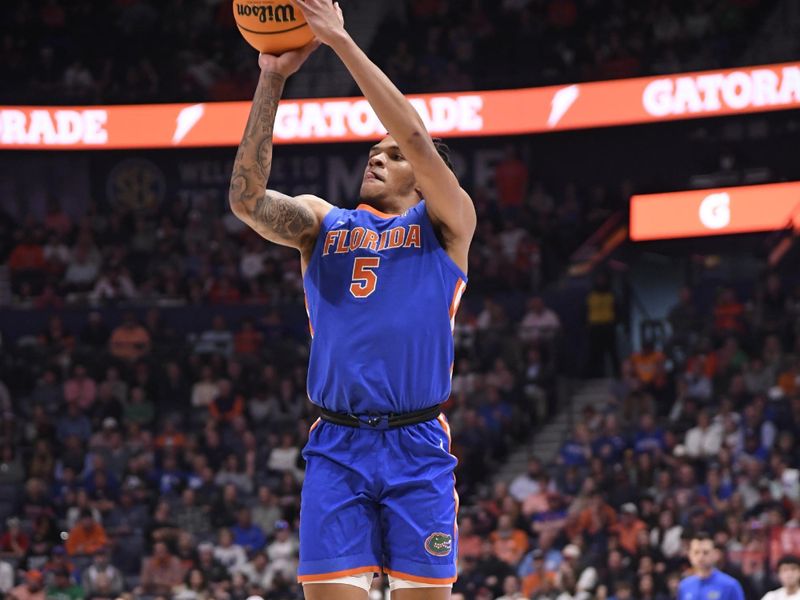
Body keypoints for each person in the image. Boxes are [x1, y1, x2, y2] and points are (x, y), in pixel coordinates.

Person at [227, 1, 476, 598]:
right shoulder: (321, 222)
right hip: (337, 445)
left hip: (417, 447)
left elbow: (416, 134)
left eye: (392, 155)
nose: (378, 154)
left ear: (421, 176)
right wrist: (270, 78)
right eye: (374, 149)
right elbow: (246, 199)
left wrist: (339, 41)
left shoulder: (447, 226)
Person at [678, 532, 745, 600]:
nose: (700, 557)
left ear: (715, 554)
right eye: (696, 552)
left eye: (705, 552)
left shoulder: (730, 585)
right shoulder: (684, 586)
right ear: (690, 555)